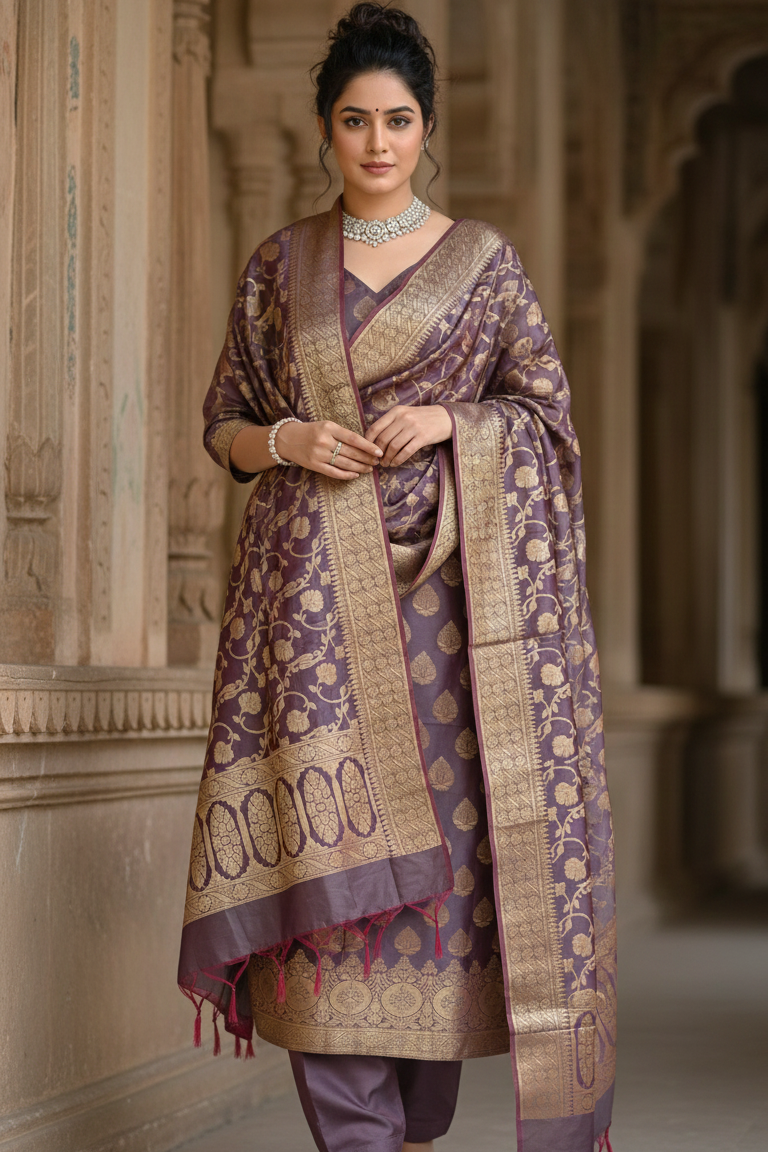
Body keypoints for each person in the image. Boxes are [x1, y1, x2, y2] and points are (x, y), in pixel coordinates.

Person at [177, 5, 616, 1151]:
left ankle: (412, 1132)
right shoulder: (281, 264)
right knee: (329, 884)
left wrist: (454, 421)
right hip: (312, 639)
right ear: (325, 130)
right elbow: (223, 421)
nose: (378, 143)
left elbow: (549, 424)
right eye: (355, 120)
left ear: (428, 128)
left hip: (449, 637)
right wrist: (287, 444)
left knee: (437, 895)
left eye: (399, 121)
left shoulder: (483, 266)